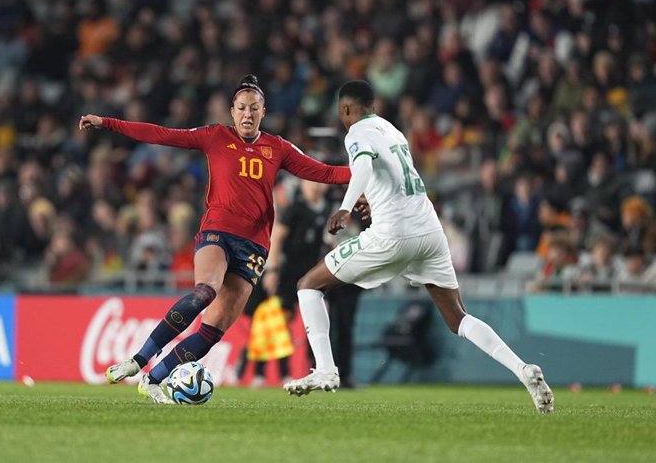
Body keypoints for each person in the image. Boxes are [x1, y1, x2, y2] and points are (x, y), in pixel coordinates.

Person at [283, 81, 554, 413]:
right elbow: (395, 177)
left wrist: (347, 206)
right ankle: (523, 370)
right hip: (429, 230)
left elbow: (364, 167)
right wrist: (373, 199)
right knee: (458, 318)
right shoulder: (393, 131)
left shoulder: (355, 133)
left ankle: (325, 370)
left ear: (345, 110)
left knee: (308, 285)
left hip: (392, 234)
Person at [79, 75, 351, 404]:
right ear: (232, 112)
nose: (247, 114)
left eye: (254, 108)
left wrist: (369, 173)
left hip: (255, 248)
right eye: (241, 108)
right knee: (204, 291)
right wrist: (108, 123)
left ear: (263, 112)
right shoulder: (215, 137)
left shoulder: (277, 148)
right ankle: (137, 359)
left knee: (213, 329)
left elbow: (323, 172)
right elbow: (162, 134)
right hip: (218, 232)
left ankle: (153, 379)